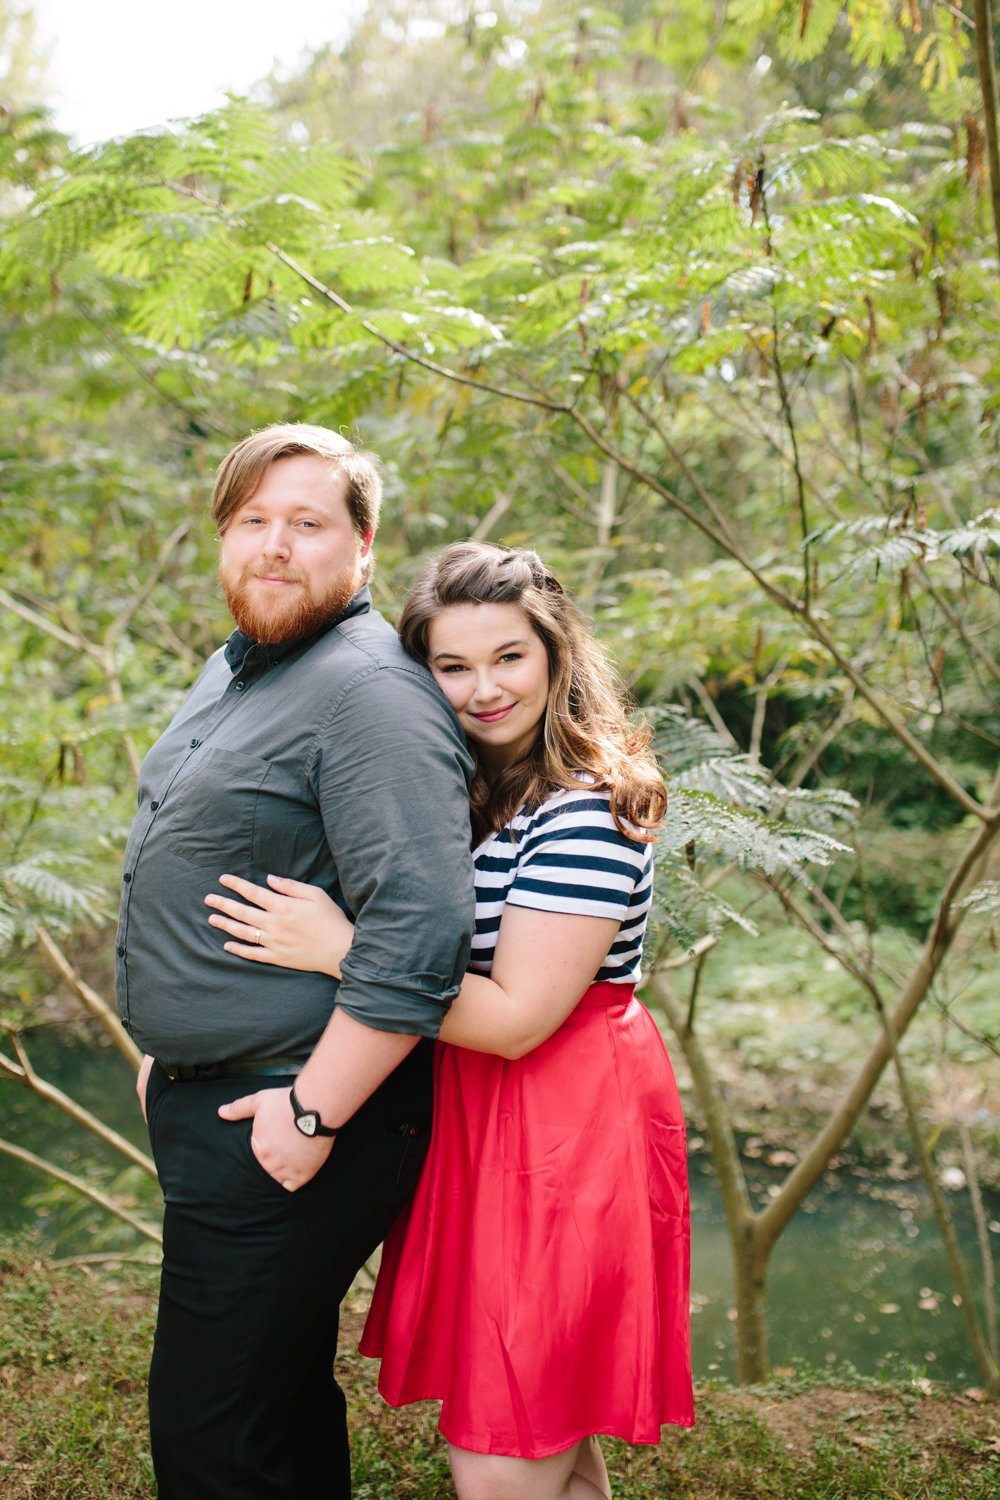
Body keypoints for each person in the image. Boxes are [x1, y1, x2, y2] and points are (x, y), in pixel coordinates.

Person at [205, 541, 694, 1500]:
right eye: (452, 666)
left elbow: (517, 1019)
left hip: (562, 1126)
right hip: (486, 1117)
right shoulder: (478, 793)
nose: (483, 690)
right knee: (550, 1437)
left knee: (508, 1445)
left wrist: (343, 947)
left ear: (555, 653)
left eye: (508, 657)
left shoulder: (583, 809)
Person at [116, 424, 476, 1500]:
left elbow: (422, 931)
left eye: (307, 524)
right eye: (251, 522)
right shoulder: (242, 665)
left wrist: (311, 1113)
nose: (273, 546)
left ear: (364, 548)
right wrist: (166, 1051)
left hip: (298, 1114)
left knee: (212, 1440)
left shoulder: (368, 692)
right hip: (222, 1097)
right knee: (271, 1412)